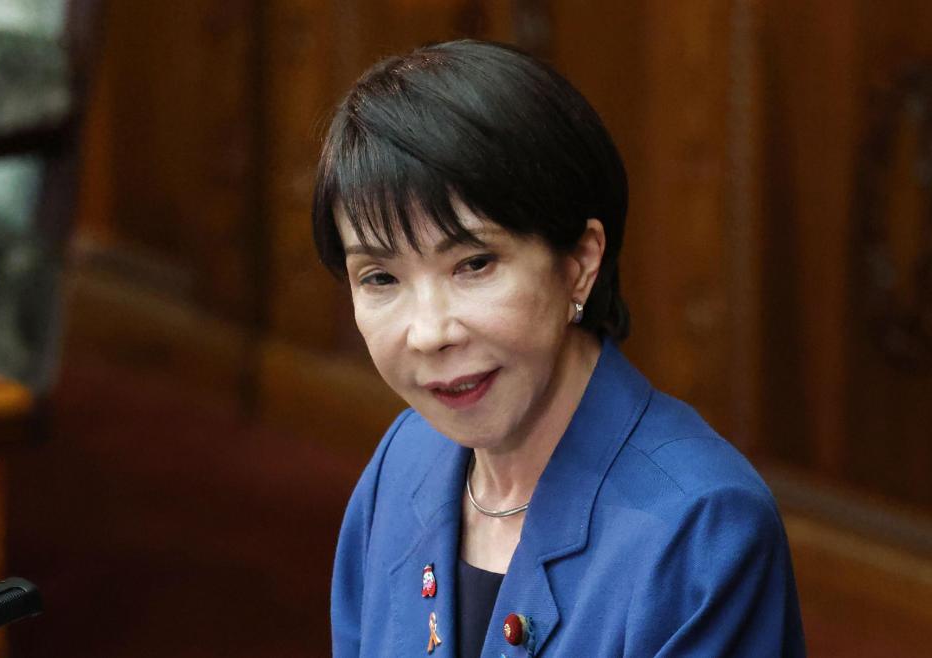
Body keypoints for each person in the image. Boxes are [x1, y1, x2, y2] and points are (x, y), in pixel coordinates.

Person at [313, 39, 805, 658]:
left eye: (474, 264)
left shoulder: (703, 528)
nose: (430, 333)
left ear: (579, 263)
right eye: (381, 278)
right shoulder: (406, 459)